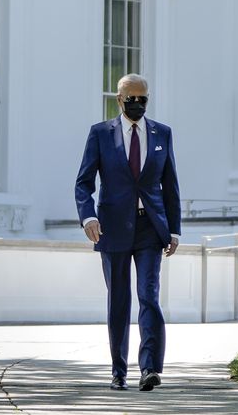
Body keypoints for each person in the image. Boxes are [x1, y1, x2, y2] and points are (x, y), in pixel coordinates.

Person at [75, 74, 181, 390]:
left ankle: (150, 369)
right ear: (120, 99)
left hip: (150, 227)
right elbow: (83, 182)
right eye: (132, 99)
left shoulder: (162, 133)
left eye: (143, 99)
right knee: (118, 301)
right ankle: (118, 371)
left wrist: (174, 229)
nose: (138, 104)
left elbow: (170, 185)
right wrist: (88, 217)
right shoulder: (100, 134)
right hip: (112, 228)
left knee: (149, 295)